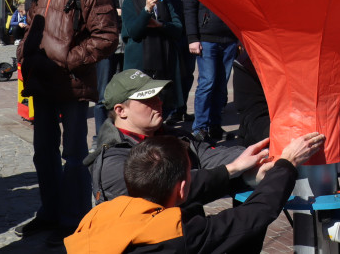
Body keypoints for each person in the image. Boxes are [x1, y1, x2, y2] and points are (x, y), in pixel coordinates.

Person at [16, 0, 119, 245]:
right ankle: (49, 212)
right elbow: (34, 24)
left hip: (71, 84)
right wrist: (24, 54)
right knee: (42, 153)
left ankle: (72, 220)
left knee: (73, 155)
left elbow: (106, 37)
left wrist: (69, 59)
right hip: (42, 83)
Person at [67, 131, 324, 253]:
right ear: (181, 188)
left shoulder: (97, 216)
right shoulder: (179, 233)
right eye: (191, 173)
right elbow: (257, 213)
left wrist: (233, 169)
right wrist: (287, 163)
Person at [87, 69, 254, 203]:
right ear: (120, 111)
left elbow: (209, 155)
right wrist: (231, 169)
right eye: (148, 99)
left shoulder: (174, 137)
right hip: (153, 242)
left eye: (158, 96)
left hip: (187, 234)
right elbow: (167, 187)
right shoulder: (111, 161)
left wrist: (262, 156)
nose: (159, 103)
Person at [121, 0, 184, 116]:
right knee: (139, 107)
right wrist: (147, 9)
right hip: (139, 64)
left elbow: (178, 29)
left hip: (163, 62)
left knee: (160, 106)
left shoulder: (165, 2)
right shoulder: (130, 2)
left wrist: (161, 25)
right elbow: (133, 32)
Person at [183, 0, 239, 143]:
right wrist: (192, 37)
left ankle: (214, 125)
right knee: (207, 83)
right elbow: (189, 8)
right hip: (206, 38)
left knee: (221, 85)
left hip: (229, 39)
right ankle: (200, 128)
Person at [95, 0, 133, 135]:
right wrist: (121, 13)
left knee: (127, 94)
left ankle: (125, 134)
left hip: (129, 44)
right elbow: (99, 12)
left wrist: (121, 12)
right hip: (106, 45)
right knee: (103, 96)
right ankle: (101, 136)